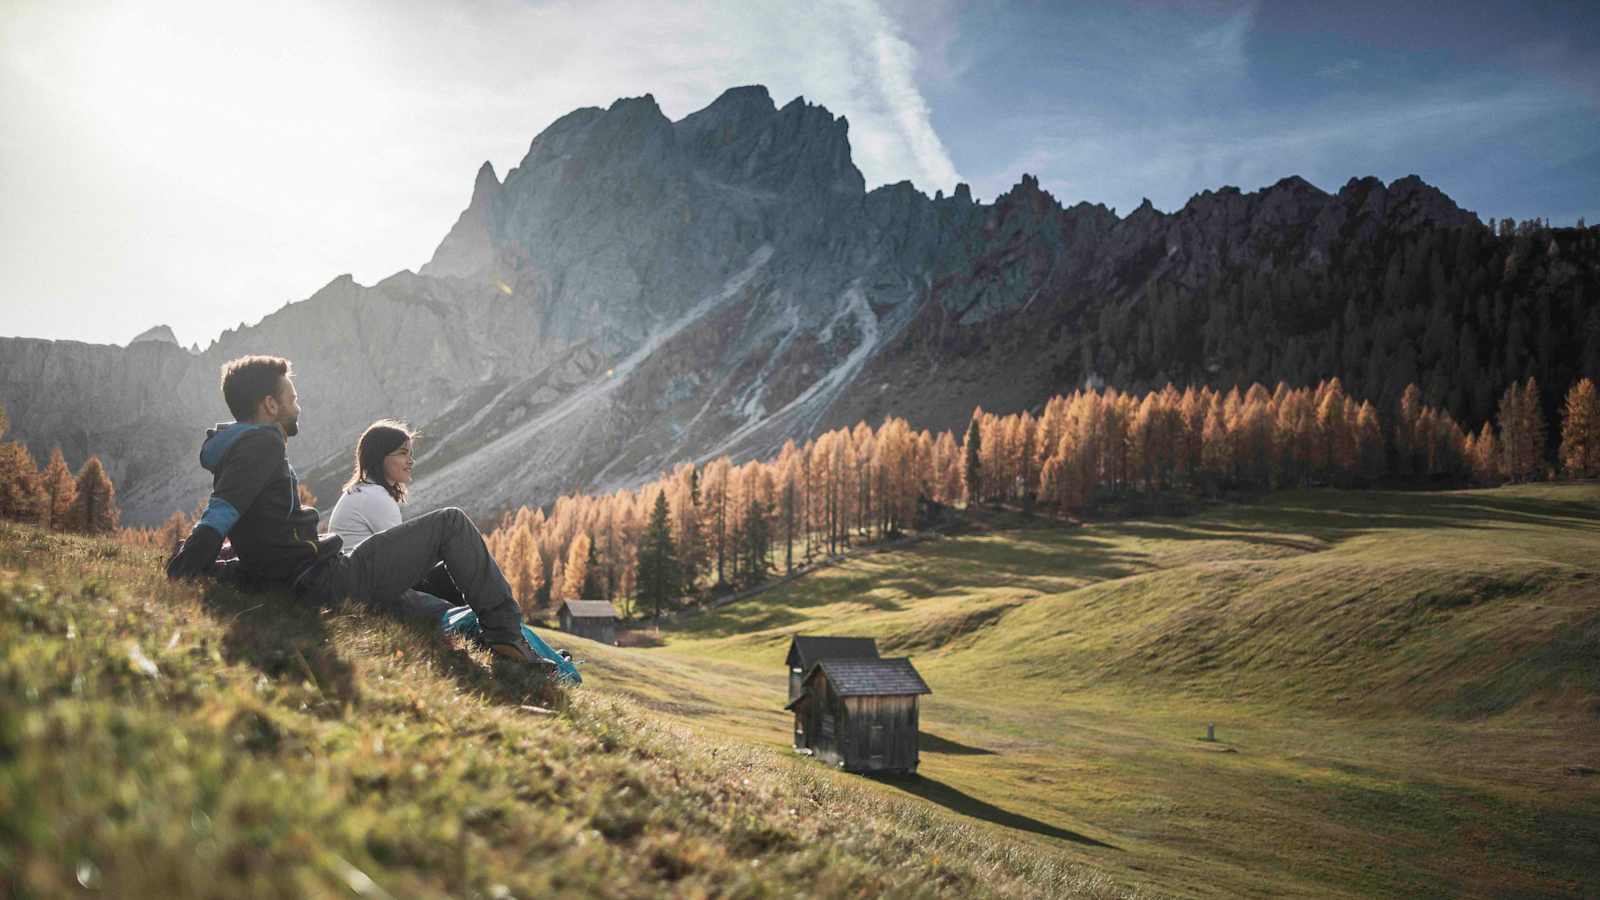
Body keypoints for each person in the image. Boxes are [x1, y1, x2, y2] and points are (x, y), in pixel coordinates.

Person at [165, 355, 548, 669]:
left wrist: (214, 561)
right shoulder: (262, 445)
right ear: (270, 404)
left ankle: (494, 636)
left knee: (436, 585)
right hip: (327, 580)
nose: (298, 406)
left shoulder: (239, 448)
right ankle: (507, 639)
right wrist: (186, 566)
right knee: (452, 523)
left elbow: (249, 524)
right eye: (292, 397)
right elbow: (222, 512)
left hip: (311, 574)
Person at [328, 419, 463, 606]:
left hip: (360, 585)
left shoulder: (365, 491)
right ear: (380, 457)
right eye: (402, 453)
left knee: (447, 574)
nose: (411, 461)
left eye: (410, 454)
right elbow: (403, 561)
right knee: (451, 575)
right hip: (367, 594)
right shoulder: (374, 497)